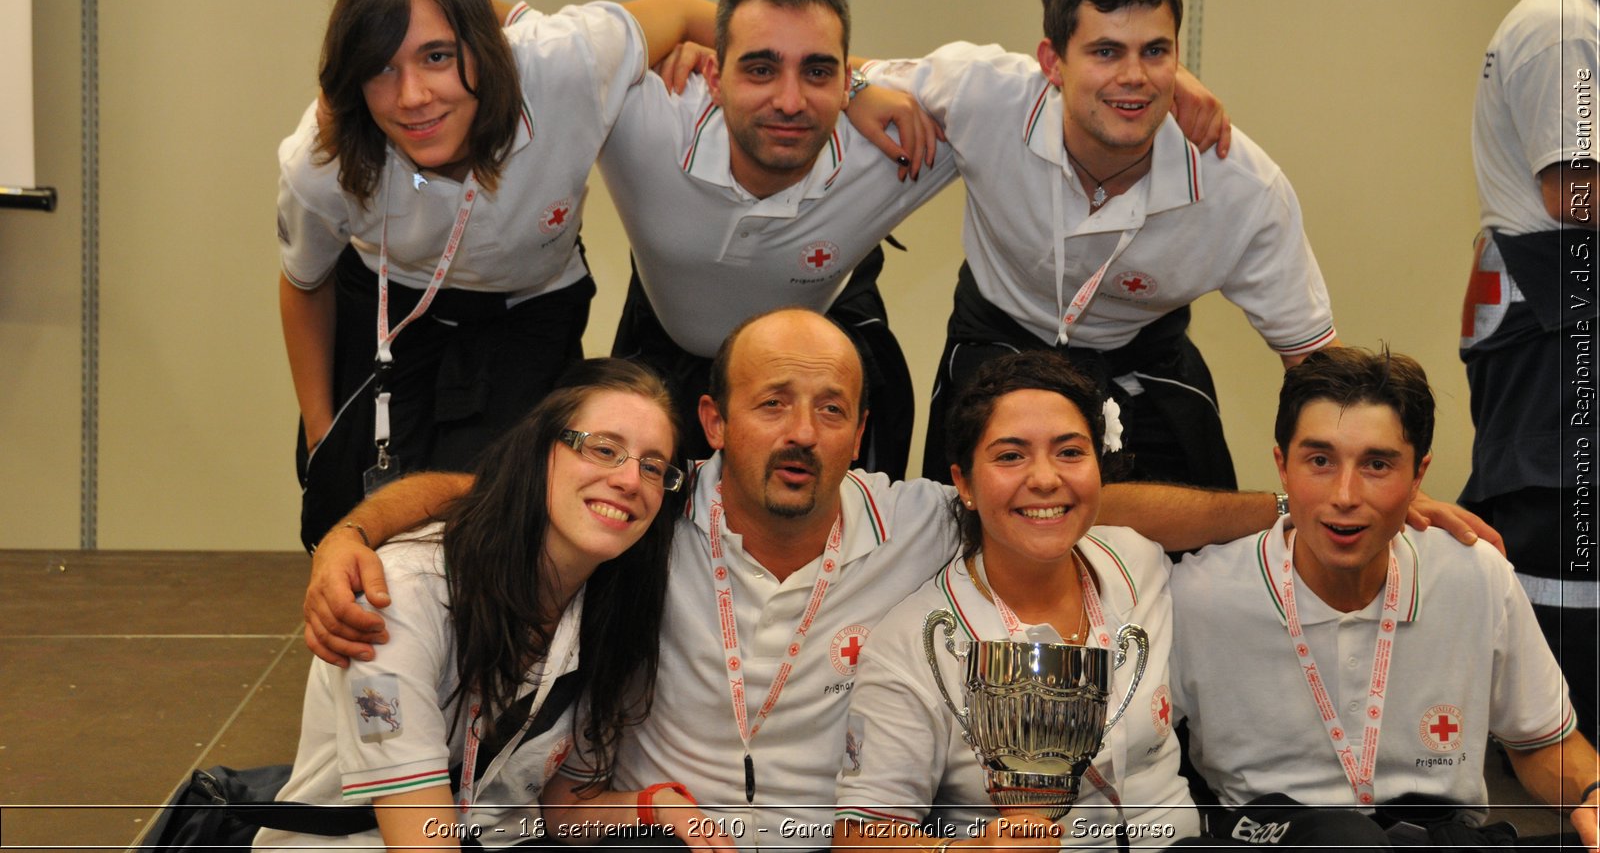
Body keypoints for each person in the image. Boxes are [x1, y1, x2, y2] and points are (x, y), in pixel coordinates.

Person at [300, 311, 1491, 852]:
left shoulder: (917, 517)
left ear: (866, 433)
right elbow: (504, 488)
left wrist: (1317, 496)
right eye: (772, 402)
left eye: (831, 407)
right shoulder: (655, 505)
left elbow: (1096, 501)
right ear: (714, 424)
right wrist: (351, 528)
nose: (802, 432)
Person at [277, 0, 714, 551]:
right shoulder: (323, 160)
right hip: (388, 301)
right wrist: (324, 436)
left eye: (437, 57)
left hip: (527, 306)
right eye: (381, 68)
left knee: (496, 516)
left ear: (483, 50)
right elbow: (304, 285)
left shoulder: (568, 64)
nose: (412, 97)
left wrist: (848, 85)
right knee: (346, 513)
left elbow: (689, 11)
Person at [862, 0, 1336, 489]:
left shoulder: (1242, 188)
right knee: (963, 553)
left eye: (1155, 52)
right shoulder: (982, 92)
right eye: (1106, 52)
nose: (1133, 75)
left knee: (1199, 558)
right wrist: (855, 88)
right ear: (1051, 62)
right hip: (997, 345)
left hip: (1144, 368)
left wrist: (1370, 487)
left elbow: (1314, 363)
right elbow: (819, 68)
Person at [1170, 347, 1600, 849]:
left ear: (1418, 477)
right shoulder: (1200, 593)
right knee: (1343, 839)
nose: (1346, 494)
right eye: (1320, 461)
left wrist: (1591, 792)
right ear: (1282, 468)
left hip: (1436, 836)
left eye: (1377, 464)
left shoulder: (1473, 574)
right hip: (1269, 834)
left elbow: (1545, 744)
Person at [254, 358, 685, 851]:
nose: (630, 481)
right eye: (604, 449)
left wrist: (654, 806)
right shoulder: (399, 595)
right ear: (540, 452)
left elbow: (563, 809)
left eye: (652, 467)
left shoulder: (605, 611)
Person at [585, 0, 955, 478]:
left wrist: (864, 83)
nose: (789, 102)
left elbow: (1046, 96)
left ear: (843, 79)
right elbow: (516, 46)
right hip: (663, 345)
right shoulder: (643, 114)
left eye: (818, 73)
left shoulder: (899, 136)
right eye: (759, 69)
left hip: (818, 343)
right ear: (715, 77)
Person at [834, 351, 1199, 850]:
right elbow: (858, 840)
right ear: (963, 483)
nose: (1046, 478)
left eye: (1070, 452)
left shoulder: (1141, 564)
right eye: (1010, 456)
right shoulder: (917, 640)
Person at [1459, 0, 1599, 742]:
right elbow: (1573, 188)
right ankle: (1565, 773)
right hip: (1557, 329)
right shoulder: (1562, 26)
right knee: (1560, 554)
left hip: (1562, 317)